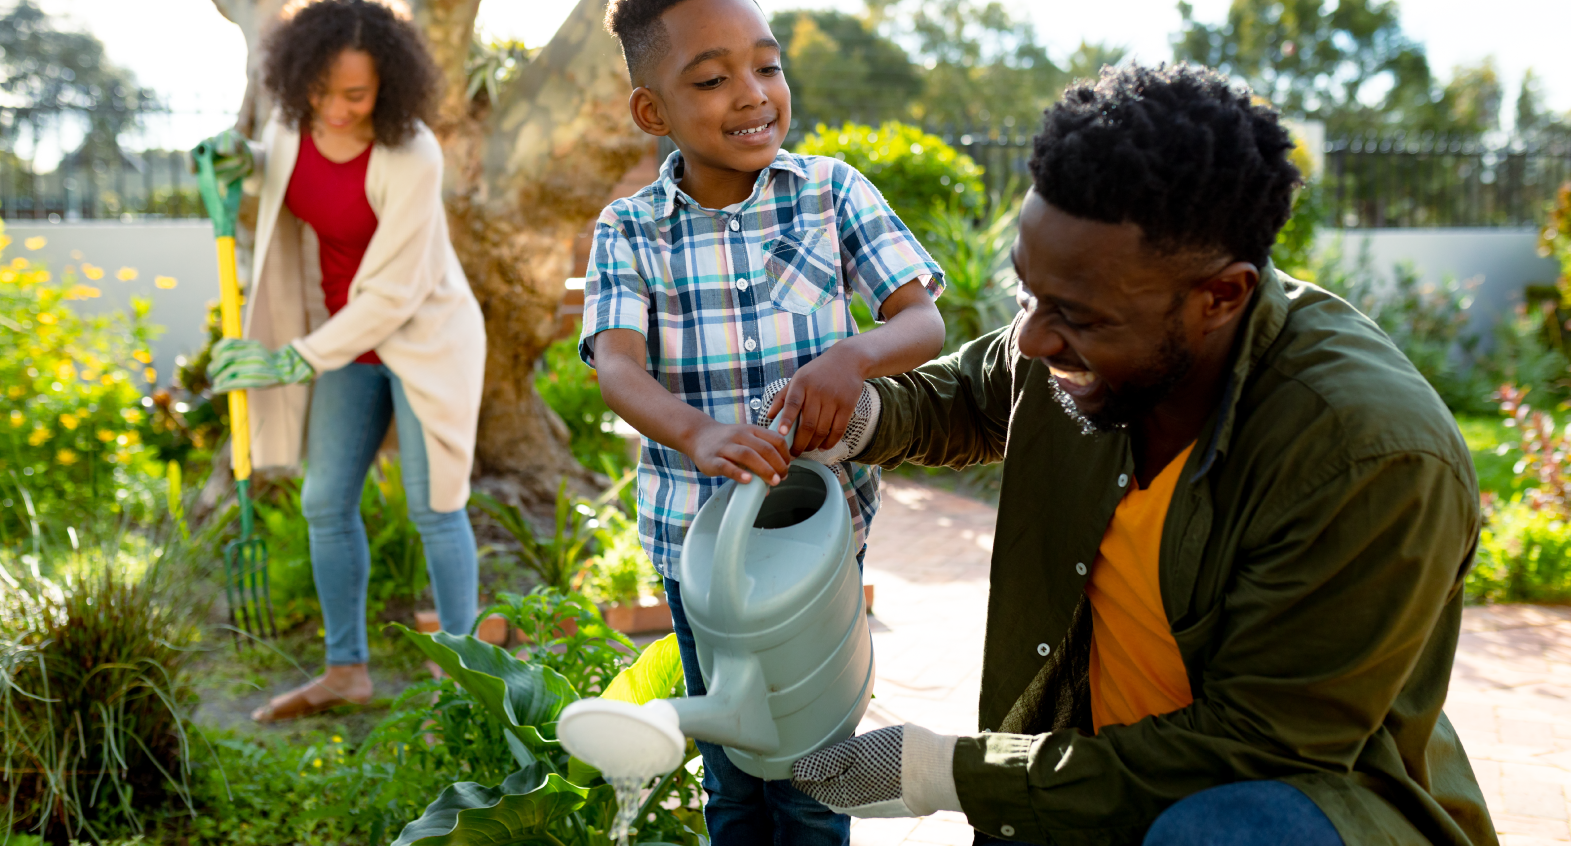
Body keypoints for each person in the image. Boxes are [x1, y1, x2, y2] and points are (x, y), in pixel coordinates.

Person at [788, 64, 1495, 846]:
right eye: (1026, 292)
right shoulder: (1083, 332)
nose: (1030, 338)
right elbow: (970, 395)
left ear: (1221, 296)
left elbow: (1253, 748)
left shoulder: (1367, 456)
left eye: (1075, 317)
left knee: (1223, 831)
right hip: (1104, 777)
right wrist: (849, 416)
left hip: (1297, 808)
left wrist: (940, 773)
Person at [581, 0, 946, 840]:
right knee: (735, 770)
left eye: (767, 66)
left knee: (813, 772)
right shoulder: (630, 230)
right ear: (652, 111)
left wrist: (853, 357)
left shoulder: (832, 192)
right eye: (710, 79)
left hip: (818, 547)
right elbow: (617, 367)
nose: (751, 94)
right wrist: (698, 433)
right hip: (702, 553)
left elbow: (921, 322)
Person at [198, 0, 487, 723]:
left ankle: (466, 679)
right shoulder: (290, 126)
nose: (334, 110)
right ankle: (345, 672)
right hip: (344, 343)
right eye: (320, 92)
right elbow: (293, 182)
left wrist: (293, 360)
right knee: (324, 501)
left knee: (434, 506)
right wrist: (249, 165)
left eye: (354, 96)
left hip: (426, 341)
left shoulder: (413, 153)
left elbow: (393, 293)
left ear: (388, 87)